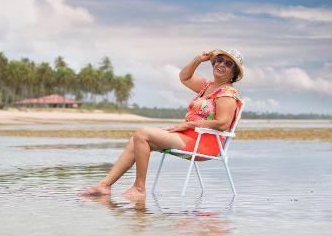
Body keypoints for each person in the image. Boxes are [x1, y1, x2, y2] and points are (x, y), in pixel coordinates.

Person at [80, 49, 244, 198]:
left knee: (142, 133)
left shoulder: (227, 93)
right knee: (136, 139)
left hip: (205, 143)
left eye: (228, 63)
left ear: (233, 73)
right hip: (188, 137)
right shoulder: (208, 86)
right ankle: (104, 185)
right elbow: (184, 77)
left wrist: (188, 125)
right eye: (219, 60)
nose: (221, 64)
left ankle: (139, 188)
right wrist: (198, 59)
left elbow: (222, 124)